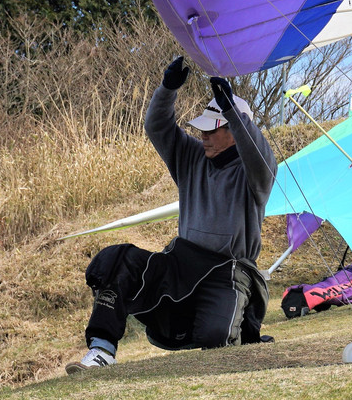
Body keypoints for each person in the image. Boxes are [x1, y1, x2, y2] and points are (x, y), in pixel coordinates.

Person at [66, 57, 277, 373]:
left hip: (229, 271)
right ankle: (102, 352)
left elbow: (259, 153)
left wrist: (233, 112)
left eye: (212, 130)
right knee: (115, 260)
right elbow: (158, 126)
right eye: (202, 130)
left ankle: (240, 329)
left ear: (235, 131)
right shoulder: (192, 157)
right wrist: (168, 88)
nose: (203, 136)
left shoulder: (255, 174)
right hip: (181, 263)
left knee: (216, 339)